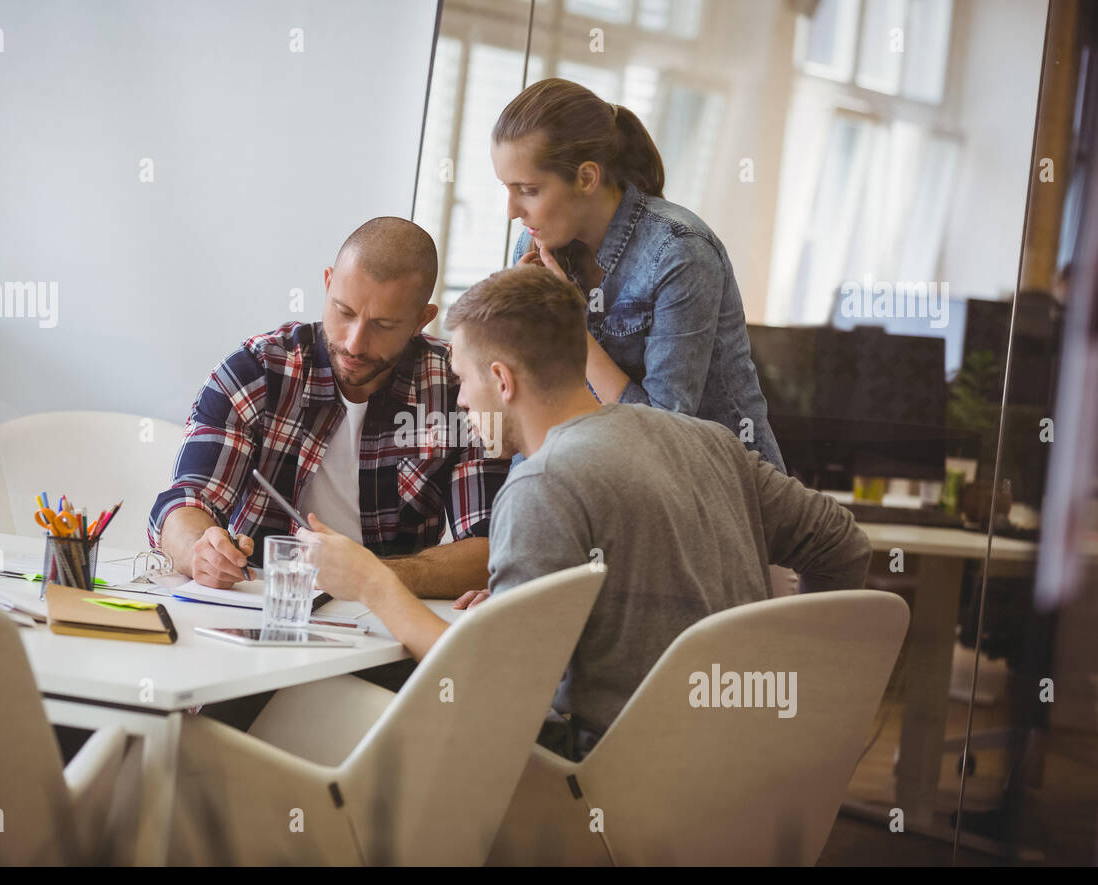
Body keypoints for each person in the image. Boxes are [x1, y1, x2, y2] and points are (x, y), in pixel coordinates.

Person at [298, 267, 871, 761]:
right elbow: (843, 546)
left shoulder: (543, 483)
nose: (462, 402)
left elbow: (493, 689)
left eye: (463, 381)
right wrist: (795, 683)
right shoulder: (709, 442)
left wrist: (373, 582)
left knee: (319, 712)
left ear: (502, 380)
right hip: (740, 771)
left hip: (602, 781)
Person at [147, 216, 510, 601]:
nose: (355, 343)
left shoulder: (461, 389)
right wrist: (198, 552)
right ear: (327, 283)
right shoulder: (257, 370)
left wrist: (366, 576)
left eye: (384, 325)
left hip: (391, 623)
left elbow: (489, 551)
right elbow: (184, 502)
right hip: (258, 608)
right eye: (344, 312)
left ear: (422, 320)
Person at [491, 77, 786, 472]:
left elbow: (662, 434)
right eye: (506, 189)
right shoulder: (534, 248)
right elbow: (531, 407)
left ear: (586, 178)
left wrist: (568, 328)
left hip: (720, 495)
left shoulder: (680, 251)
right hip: (614, 482)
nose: (512, 211)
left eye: (527, 189)